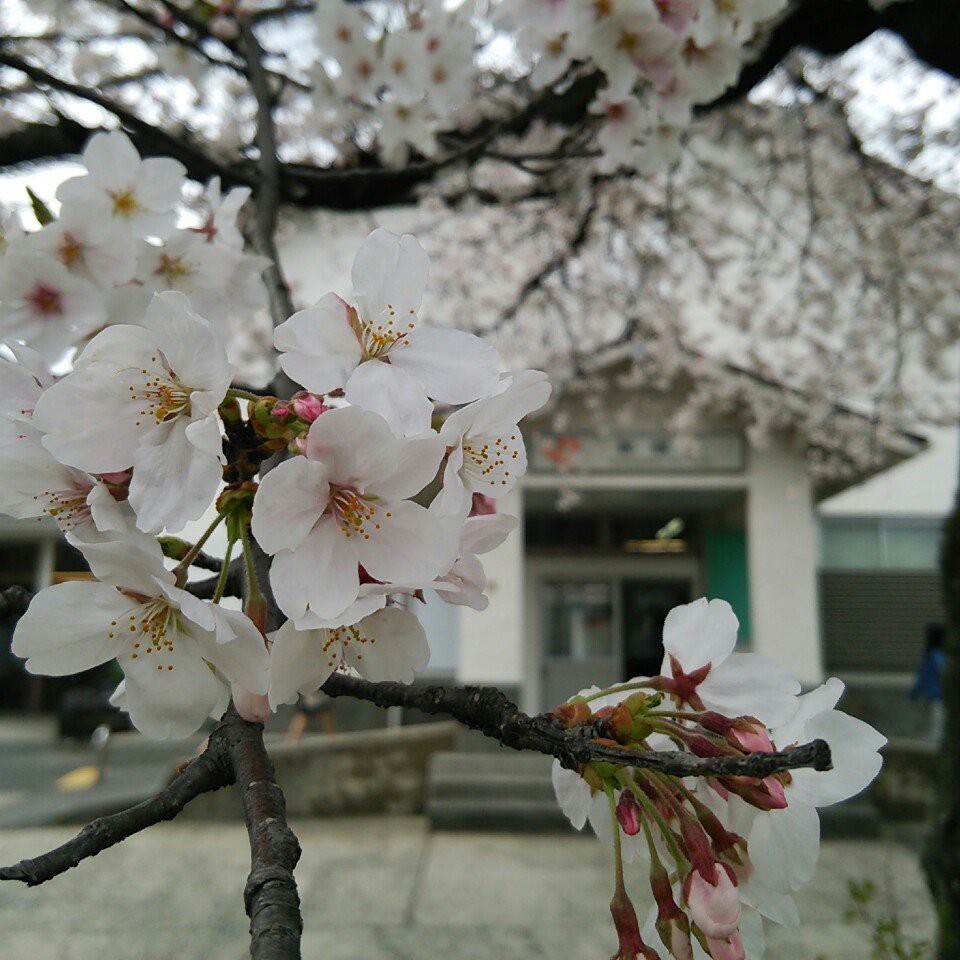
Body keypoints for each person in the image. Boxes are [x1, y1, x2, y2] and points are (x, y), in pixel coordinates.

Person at [910, 623, 948, 744]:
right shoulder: (937, 656)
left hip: (938, 696)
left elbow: (924, 677)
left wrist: (914, 694)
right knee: (936, 720)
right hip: (935, 695)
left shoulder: (934, 656)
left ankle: (935, 743)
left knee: (938, 721)